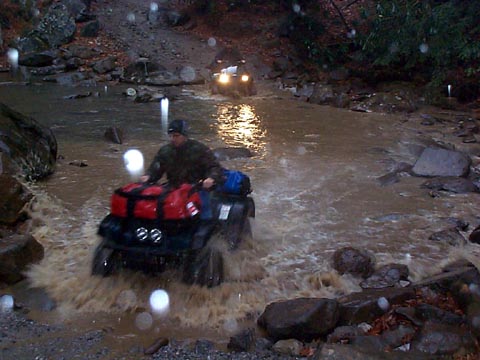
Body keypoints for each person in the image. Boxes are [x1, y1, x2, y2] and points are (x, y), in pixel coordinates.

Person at [140, 119, 224, 220]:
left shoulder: (199, 149)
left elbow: (214, 166)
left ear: (184, 135)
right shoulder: (165, 151)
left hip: (195, 188)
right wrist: (148, 176)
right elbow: (156, 168)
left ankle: (207, 227)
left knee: (205, 215)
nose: (173, 139)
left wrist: (211, 178)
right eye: (171, 136)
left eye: (176, 136)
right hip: (173, 188)